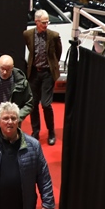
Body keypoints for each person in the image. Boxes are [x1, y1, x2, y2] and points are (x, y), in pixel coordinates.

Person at [24, 10, 62, 146]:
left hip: (47, 73)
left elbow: (58, 52)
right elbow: (30, 49)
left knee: (46, 104)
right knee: (33, 103)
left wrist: (52, 66)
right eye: (43, 22)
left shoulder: (53, 36)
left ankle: (51, 131)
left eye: (47, 22)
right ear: (36, 22)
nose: (46, 25)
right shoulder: (28, 34)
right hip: (34, 73)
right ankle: (35, 131)